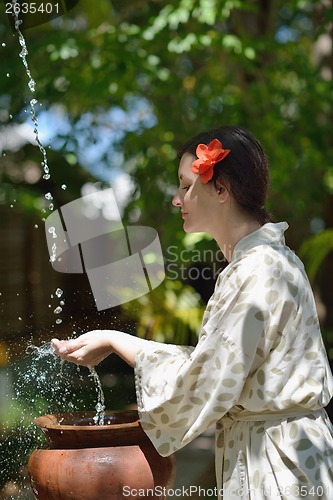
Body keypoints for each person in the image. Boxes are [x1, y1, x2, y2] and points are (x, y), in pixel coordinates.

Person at [52, 125, 333, 499]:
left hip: (276, 467)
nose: (176, 199)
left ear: (221, 189)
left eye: (186, 186)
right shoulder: (269, 260)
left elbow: (200, 383)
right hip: (286, 455)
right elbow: (213, 363)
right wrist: (113, 339)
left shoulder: (255, 270)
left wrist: (117, 341)